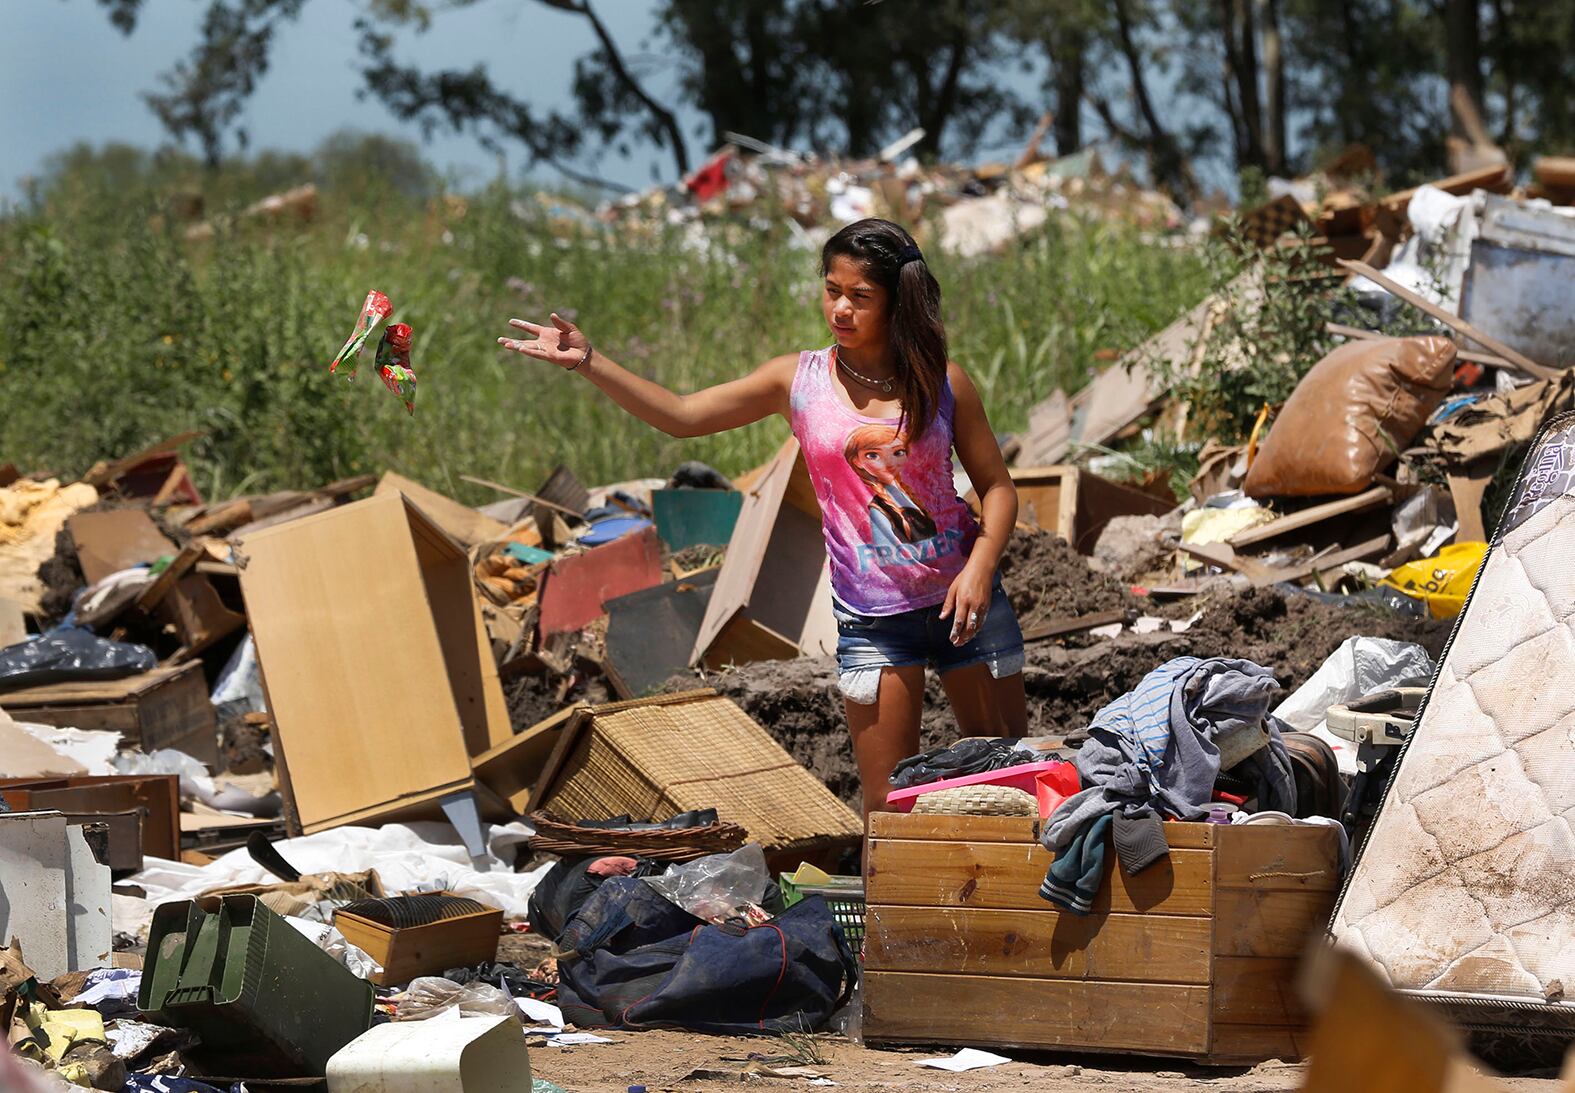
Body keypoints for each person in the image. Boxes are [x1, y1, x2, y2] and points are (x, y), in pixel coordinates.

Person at [499, 217, 1028, 817]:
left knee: (1009, 785)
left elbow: (998, 488)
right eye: (832, 290)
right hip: (875, 619)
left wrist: (980, 568)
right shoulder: (797, 381)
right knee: (888, 809)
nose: (840, 309)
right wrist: (590, 361)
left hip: (966, 604)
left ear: (897, 300)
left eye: (860, 296)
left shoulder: (944, 382)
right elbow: (682, 415)